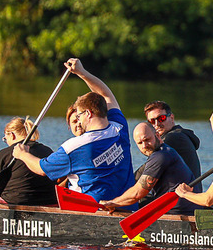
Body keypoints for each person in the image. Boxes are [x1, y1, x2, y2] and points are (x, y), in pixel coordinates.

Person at [13, 58, 136, 205]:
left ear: (88, 114)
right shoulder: (119, 128)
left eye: (78, 116)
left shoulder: (75, 146)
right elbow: (107, 95)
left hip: (91, 211)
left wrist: (22, 154)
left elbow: (41, 168)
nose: (78, 120)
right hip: (127, 207)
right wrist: (82, 73)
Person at [99, 123, 199, 215]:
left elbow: (137, 193)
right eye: (140, 143)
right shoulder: (165, 151)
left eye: (147, 140)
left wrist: (111, 203)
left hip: (180, 214)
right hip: (179, 210)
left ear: (157, 136)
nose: (144, 146)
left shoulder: (161, 155)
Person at [0, 116, 58, 206]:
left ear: (12, 135)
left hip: (16, 202)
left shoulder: (4, 154)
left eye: (5, 139)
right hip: (49, 202)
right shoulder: (48, 151)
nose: (6, 142)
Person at [143, 100, 202, 184]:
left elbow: (149, 169)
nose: (157, 124)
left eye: (161, 118)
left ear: (171, 118)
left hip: (184, 195)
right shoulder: (178, 135)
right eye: (152, 121)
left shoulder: (173, 138)